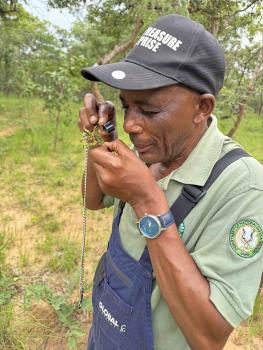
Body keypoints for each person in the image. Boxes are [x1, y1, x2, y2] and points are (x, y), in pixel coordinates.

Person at [78, 14, 263, 350]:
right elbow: (93, 201)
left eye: (148, 110)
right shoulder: (147, 149)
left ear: (201, 108)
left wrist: (147, 201)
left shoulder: (243, 185)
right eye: (125, 106)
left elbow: (209, 336)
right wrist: (98, 141)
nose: (132, 124)